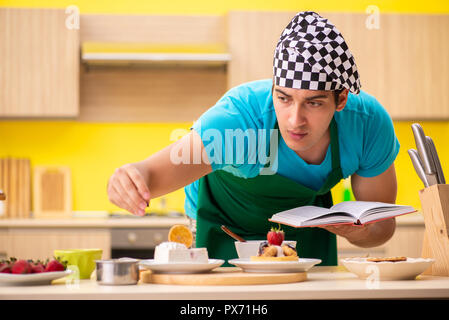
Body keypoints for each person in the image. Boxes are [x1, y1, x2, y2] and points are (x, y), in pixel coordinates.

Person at [107, 11, 399, 266]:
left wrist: (357, 231)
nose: (294, 120)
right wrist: (131, 178)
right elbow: (152, 174)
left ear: (341, 100)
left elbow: (382, 228)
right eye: (283, 98)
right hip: (222, 227)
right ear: (273, 89)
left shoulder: (367, 126)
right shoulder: (239, 122)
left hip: (305, 232)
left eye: (314, 103)